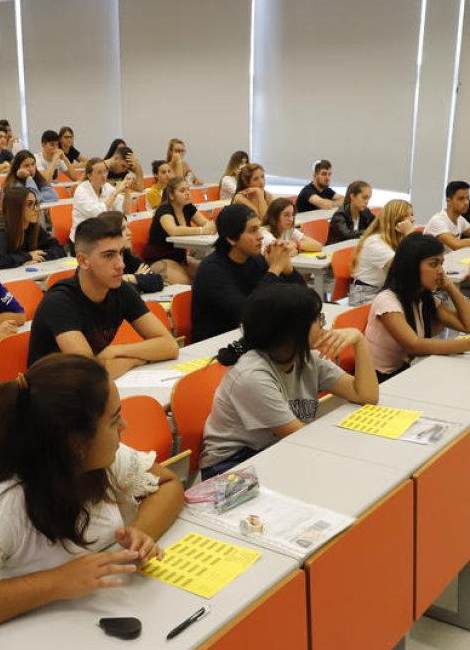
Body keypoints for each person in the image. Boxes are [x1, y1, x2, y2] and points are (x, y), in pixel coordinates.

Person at [0, 353, 183, 650]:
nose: (125, 426)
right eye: (114, 419)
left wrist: (138, 535)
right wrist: (59, 582)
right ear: (75, 442)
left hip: (58, 621)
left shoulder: (95, 460)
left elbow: (168, 485)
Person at [200, 284, 379, 478]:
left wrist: (359, 341)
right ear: (292, 330)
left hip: (275, 449)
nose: (323, 325)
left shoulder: (307, 358)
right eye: (317, 319)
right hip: (231, 466)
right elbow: (303, 439)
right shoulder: (252, 377)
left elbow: (366, 395)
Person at [27, 216, 179, 376]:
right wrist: (134, 360)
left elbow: (170, 346)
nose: (121, 264)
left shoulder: (120, 289)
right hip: (50, 394)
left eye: (121, 253)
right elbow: (91, 374)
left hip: (87, 390)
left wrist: (116, 351)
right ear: (83, 261)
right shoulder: (59, 302)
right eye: (109, 255)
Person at [365, 234, 470, 382]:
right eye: (434, 264)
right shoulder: (387, 301)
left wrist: (449, 286)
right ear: (412, 266)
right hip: (382, 380)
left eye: (441, 263)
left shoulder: (424, 297)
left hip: (409, 370)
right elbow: (414, 345)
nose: (441, 271)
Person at [192, 204, 304, 342]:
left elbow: (303, 298)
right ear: (231, 239)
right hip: (219, 347)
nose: (261, 237)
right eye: (252, 231)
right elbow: (249, 313)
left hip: (253, 339)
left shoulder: (255, 260)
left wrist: (288, 270)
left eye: (259, 229)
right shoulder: (211, 270)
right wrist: (274, 270)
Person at [142, 177, 214, 284]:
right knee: (186, 282)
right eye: (182, 191)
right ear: (171, 195)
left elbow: (208, 224)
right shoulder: (164, 210)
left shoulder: (188, 207)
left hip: (179, 257)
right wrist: (202, 230)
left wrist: (208, 227)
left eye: (188, 189)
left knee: (207, 275)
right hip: (158, 259)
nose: (187, 193)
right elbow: (173, 231)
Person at [349, 199, 416, 304]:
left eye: (412, 214)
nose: (413, 219)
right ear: (396, 220)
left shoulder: (397, 239)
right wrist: (410, 234)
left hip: (385, 292)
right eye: (408, 215)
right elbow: (402, 269)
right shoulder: (375, 242)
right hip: (367, 296)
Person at [0, 187, 65, 269]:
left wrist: (37, 257)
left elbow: (60, 249)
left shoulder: (33, 226)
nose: (36, 209)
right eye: (30, 205)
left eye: (36, 204)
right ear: (16, 208)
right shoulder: (1, 230)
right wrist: (27, 256)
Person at [97, 211, 165, 294]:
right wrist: (139, 280)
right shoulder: (99, 263)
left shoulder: (127, 255)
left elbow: (157, 281)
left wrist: (129, 278)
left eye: (128, 227)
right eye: (123, 229)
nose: (129, 233)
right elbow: (118, 294)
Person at [71, 158, 134, 244]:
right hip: (83, 240)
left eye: (105, 171)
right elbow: (98, 214)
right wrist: (115, 192)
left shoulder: (107, 187)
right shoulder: (81, 191)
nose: (104, 175)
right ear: (89, 175)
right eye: (99, 172)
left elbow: (126, 211)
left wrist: (127, 189)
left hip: (103, 237)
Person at [425, 180, 470, 251]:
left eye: (467, 198)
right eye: (461, 199)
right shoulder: (437, 221)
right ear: (449, 201)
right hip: (435, 262)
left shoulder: (460, 219)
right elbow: (456, 245)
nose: (466, 202)